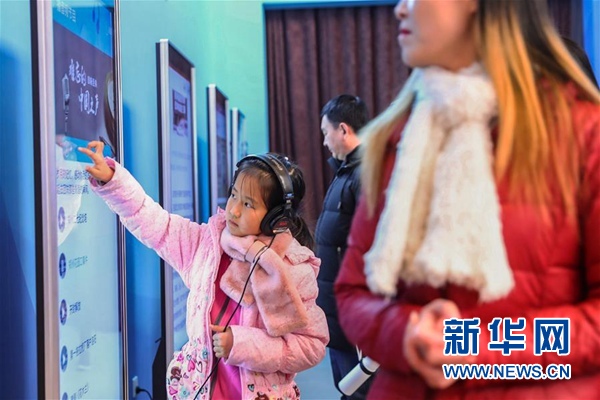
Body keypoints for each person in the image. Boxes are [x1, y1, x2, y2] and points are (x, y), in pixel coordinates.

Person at [335, 0, 600, 399]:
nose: (400, 10)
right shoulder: (397, 137)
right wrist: (408, 333)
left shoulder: (582, 134)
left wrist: (472, 348)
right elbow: (353, 291)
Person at [78, 142, 328, 400]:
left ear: (276, 218)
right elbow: (155, 222)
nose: (234, 210)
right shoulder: (206, 245)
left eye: (248, 204)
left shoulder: (292, 269)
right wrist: (113, 181)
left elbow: (311, 345)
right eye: (234, 195)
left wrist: (242, 345)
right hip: (199, 390)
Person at [315, 94, 371, 399]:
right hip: (338, 310)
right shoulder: (346, 171)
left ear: (344, 130)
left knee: (360, 390)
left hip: (353, 312)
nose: (325, 141)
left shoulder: (365, 175)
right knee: (348, 388)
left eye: (327, 132)